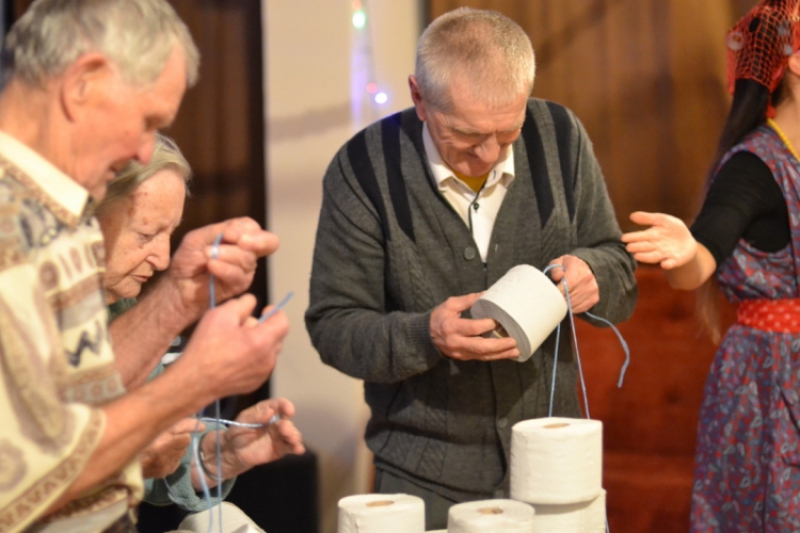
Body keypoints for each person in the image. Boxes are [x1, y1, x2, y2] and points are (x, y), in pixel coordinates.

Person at [305, 7, 637, 528]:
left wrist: (594, 273)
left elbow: (618, 266)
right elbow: (333, 327)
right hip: (422, 481)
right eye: (464, 134)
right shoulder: (363, 171)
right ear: (418, 96)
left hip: (553, 467)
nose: (487, 154)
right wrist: (426, 335)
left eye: (507, 133)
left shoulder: (560, 138)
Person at [0, 1, 288, 532]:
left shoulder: (58, 210)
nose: (142, 151)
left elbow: (74, 394)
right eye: (147, 121)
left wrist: (179, 294)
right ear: (83, 82)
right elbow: (19, 475)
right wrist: (194, 379)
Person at [621, 1, 800, 530]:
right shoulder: (754, 164)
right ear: (795, 60)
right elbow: (700, 259)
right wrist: (685, 253)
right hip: (771, 382)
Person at [95, 133, 305, 511]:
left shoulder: (122, 304)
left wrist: (215, 456)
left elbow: (157, 448)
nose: (161, 259)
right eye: (146, 234)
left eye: (169, 233)